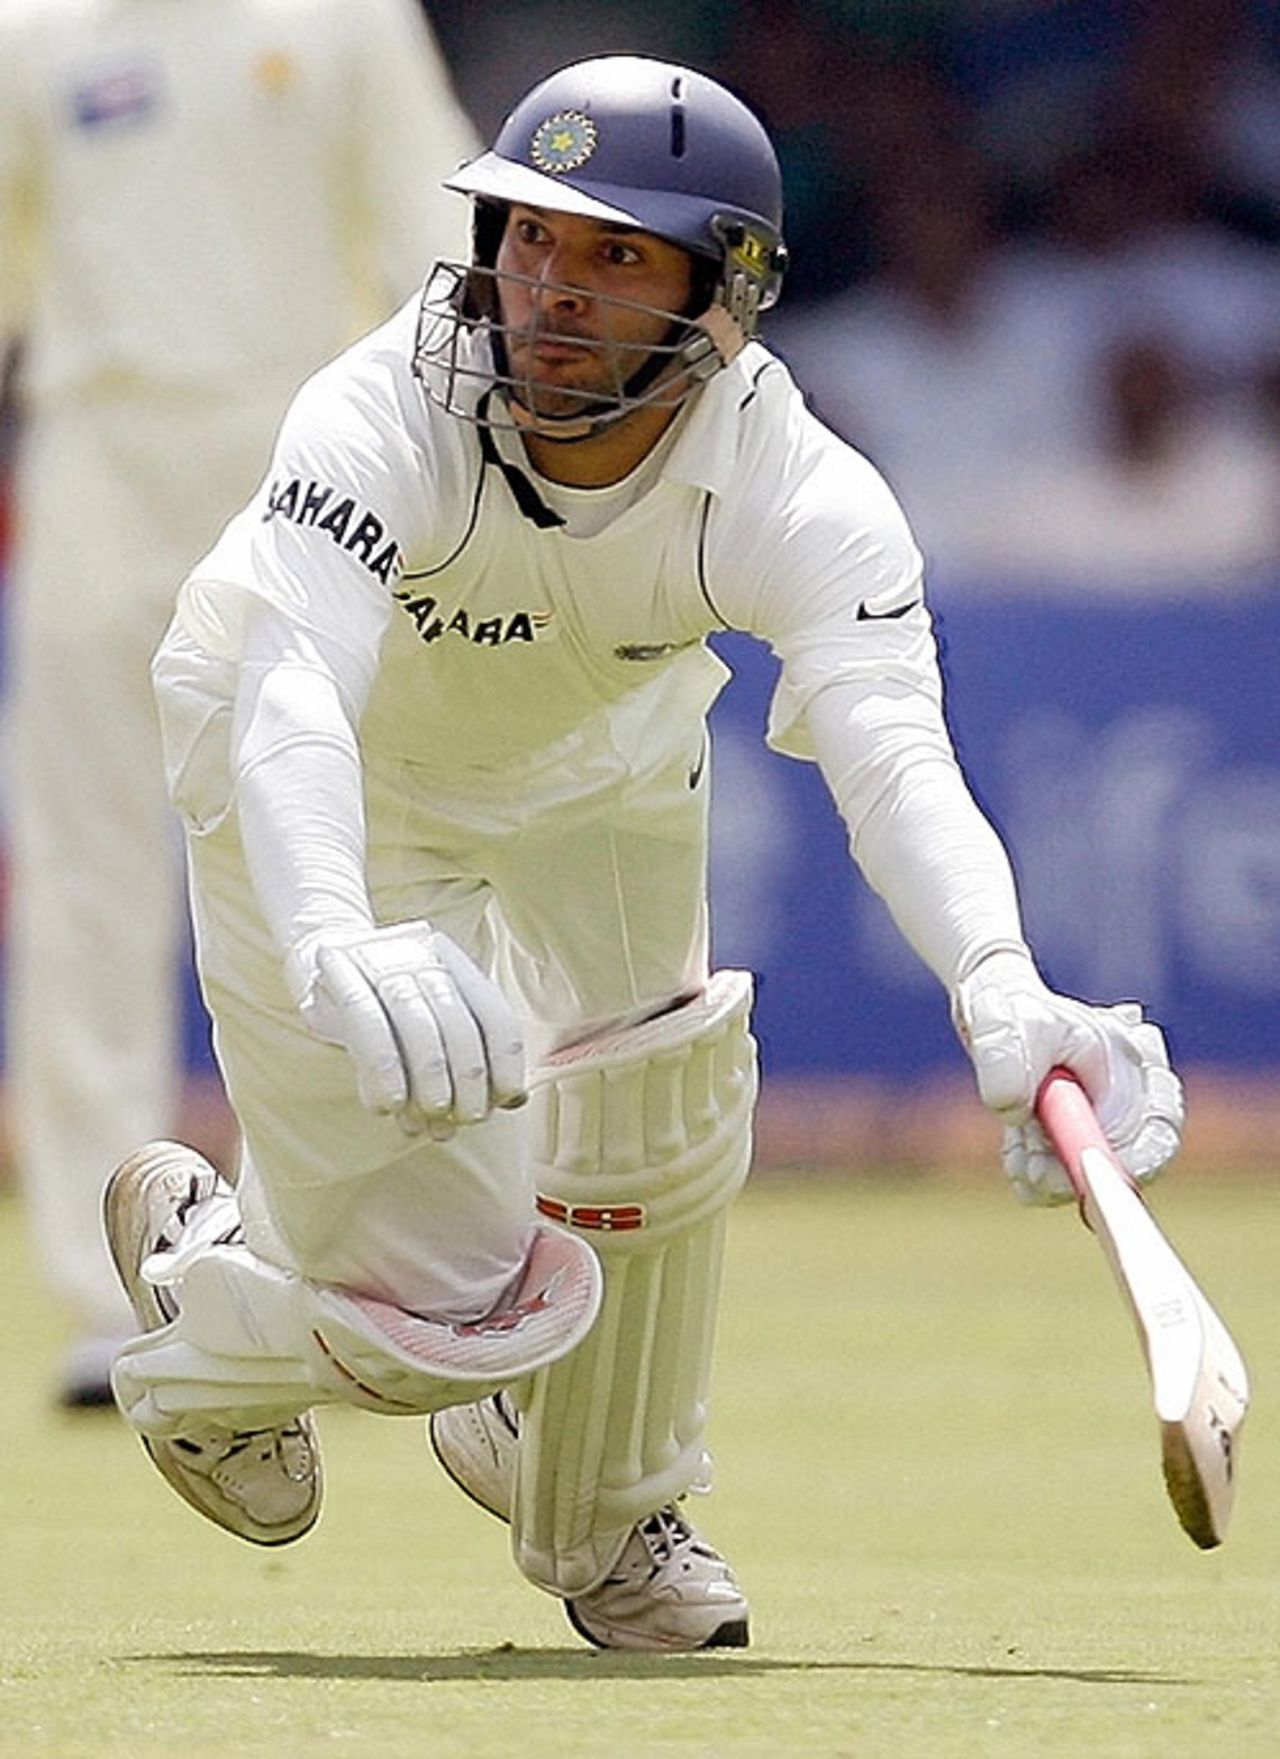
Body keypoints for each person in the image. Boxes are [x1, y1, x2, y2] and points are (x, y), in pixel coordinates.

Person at [102, 55, 1185, 1653]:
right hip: (329, 787)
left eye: (615, 256)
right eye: (530, 238)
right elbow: (291, 694)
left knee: (666, 1090)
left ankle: (610, 1514)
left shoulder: (795, 487)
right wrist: (331, 929)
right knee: (451, 1317)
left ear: (724, 298)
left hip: (602, 763)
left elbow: (894, 756)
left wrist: (1000, 986)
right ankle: (208, 1304)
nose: (550, 288)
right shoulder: (378, 407)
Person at [0, 0, 478, 1407]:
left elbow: (435, 245)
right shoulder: (32, 29)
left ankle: (352, 1262)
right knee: (87, 881)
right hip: (96, 453)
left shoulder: (344, 19)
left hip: (303, 454)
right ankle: (117, 1294)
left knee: (337, 860)